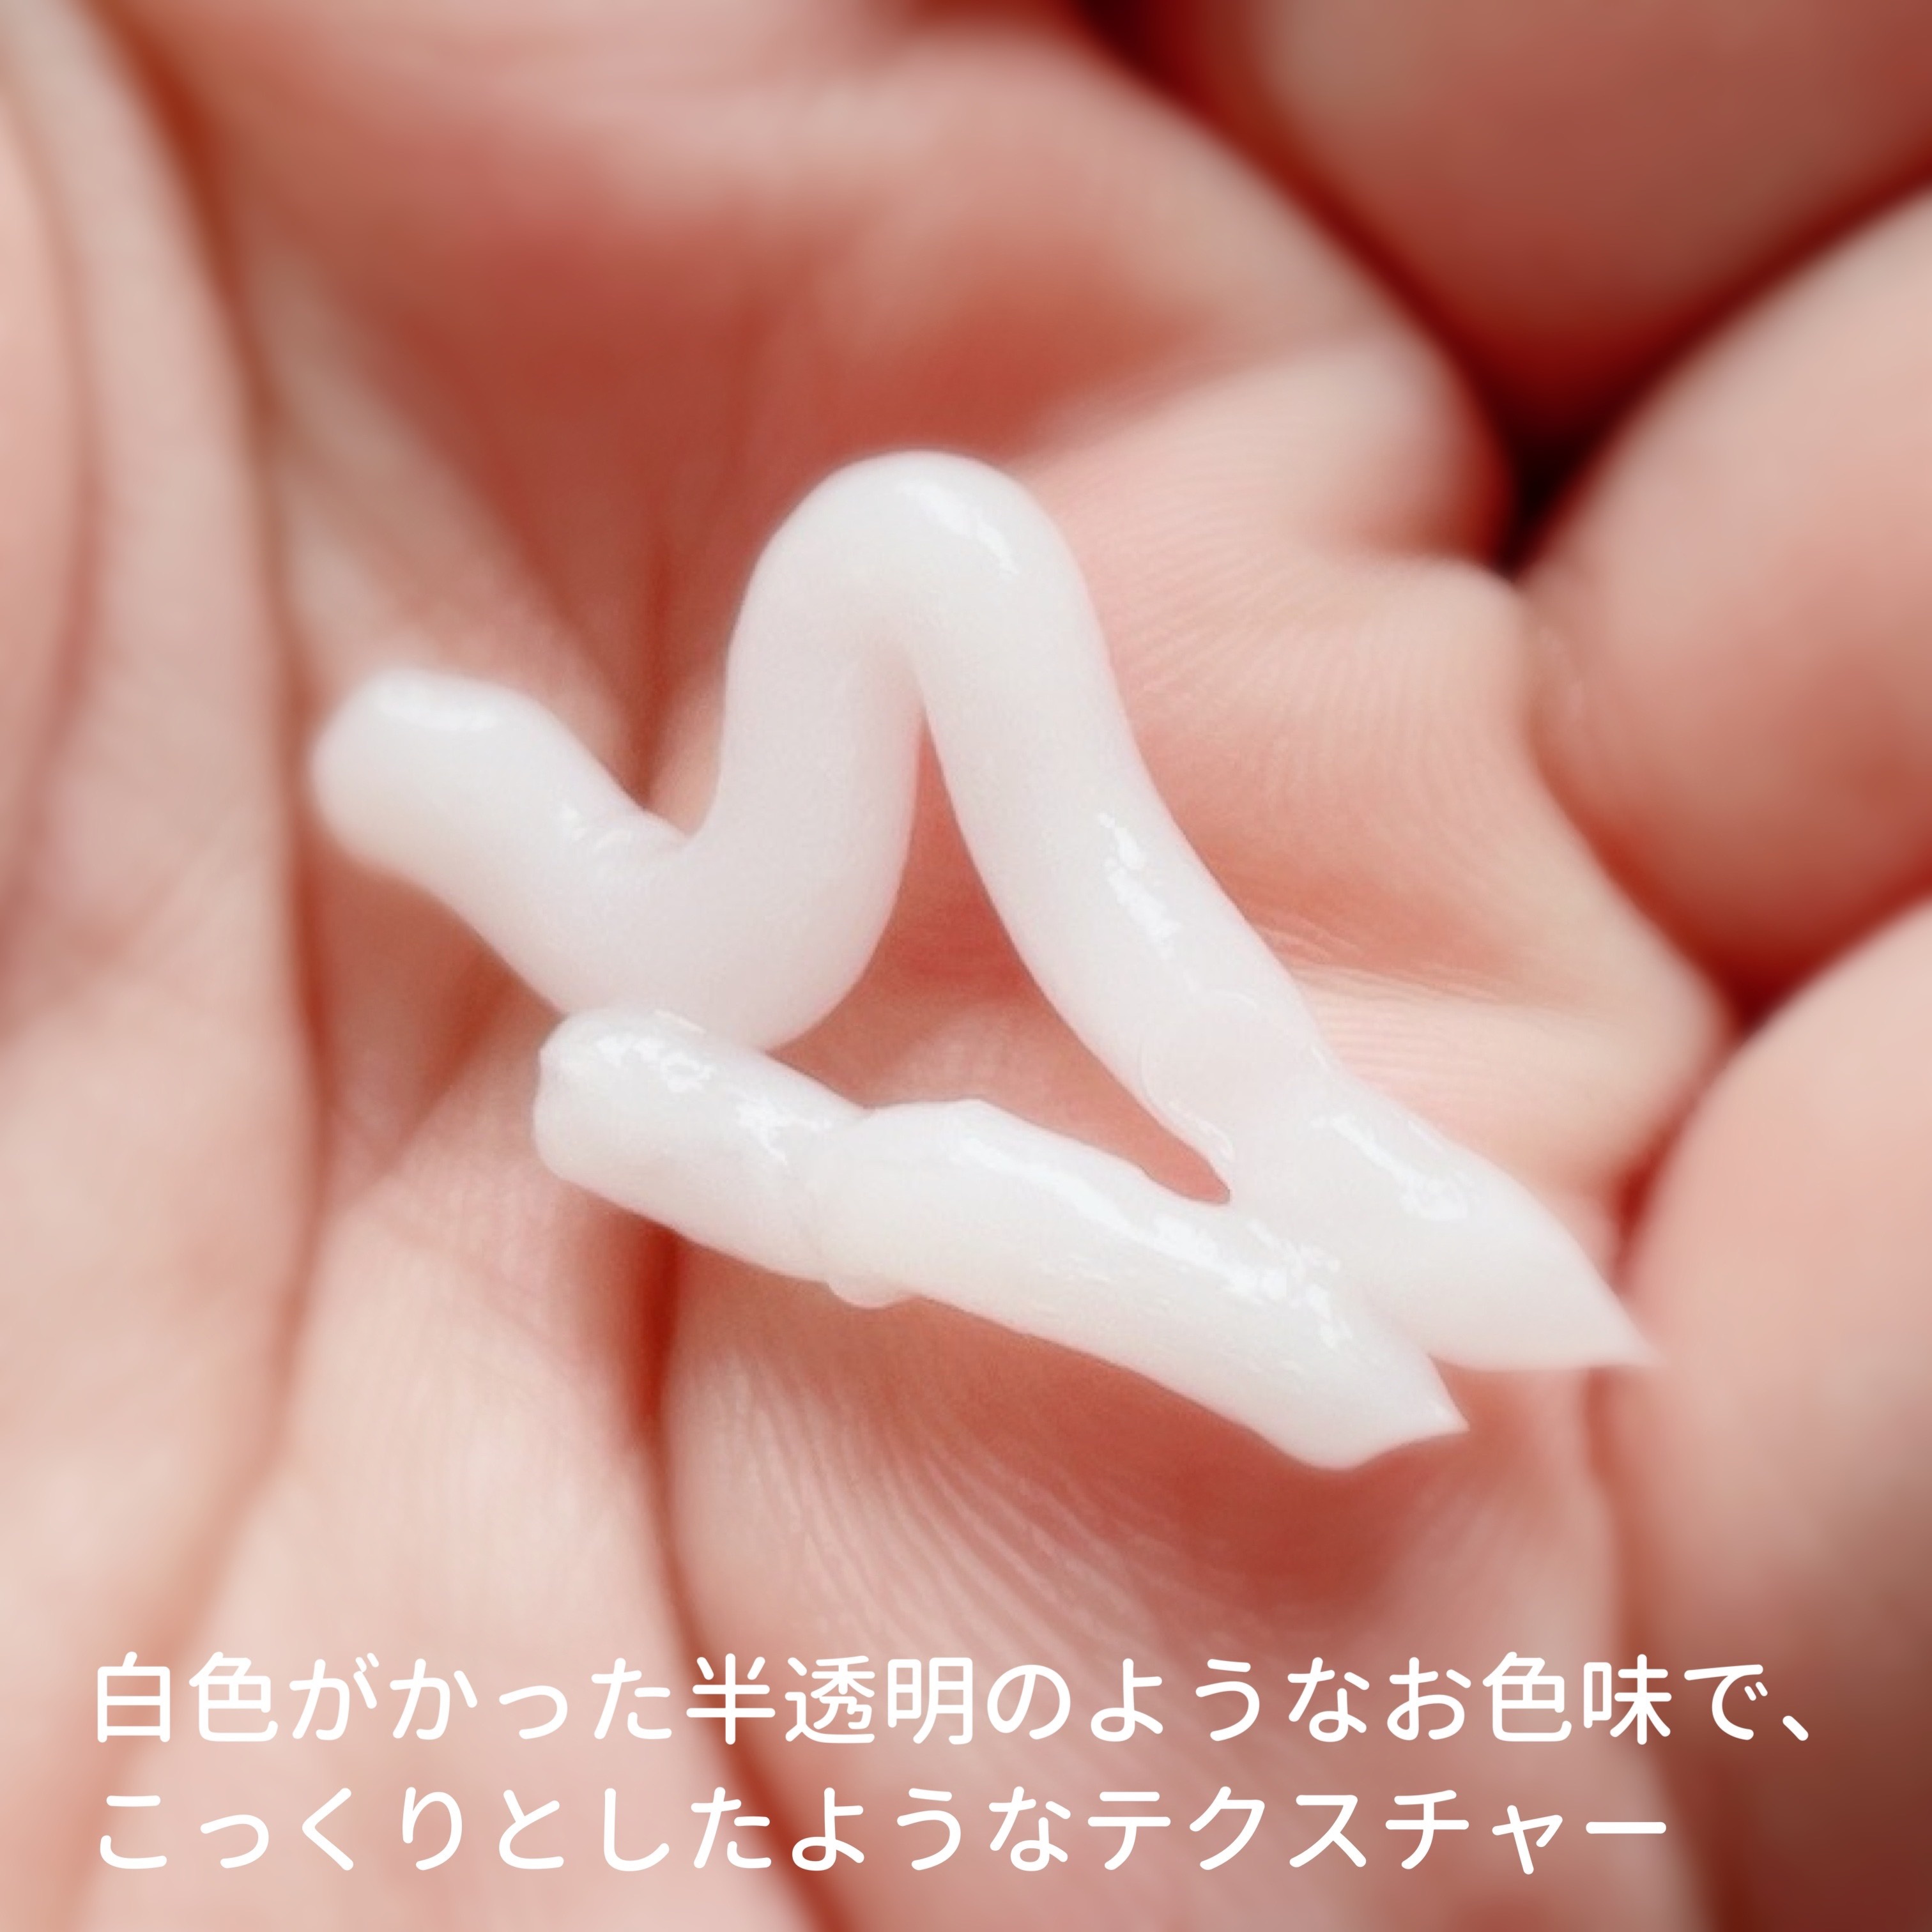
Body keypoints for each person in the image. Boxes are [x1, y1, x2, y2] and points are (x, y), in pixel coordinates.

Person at [2, 0, 1926, 1924]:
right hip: (831, 1046)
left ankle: (1330, 1190)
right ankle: (1323, 1210)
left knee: (1171, 1053)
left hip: (901, 898)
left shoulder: (740, 852)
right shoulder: (660, 998)